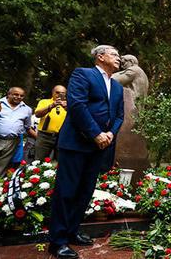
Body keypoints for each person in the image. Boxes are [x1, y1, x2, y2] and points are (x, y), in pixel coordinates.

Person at [49, 45, 124, 259]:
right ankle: (58, 242)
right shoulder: (83, 74)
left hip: (100, 146)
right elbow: (77, 106)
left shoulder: (117, 87)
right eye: (114, 54)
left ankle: (72, 232)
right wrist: (95, 133)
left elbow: (119, 115)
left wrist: (109, 134)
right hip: (76, 143)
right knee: (67, 191)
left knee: (85, 192)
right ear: (100, 57)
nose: (118, 58)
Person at [0, 87, 36, 177]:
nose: (18, 97)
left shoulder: (27, 109)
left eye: (21, 96)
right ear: (8, 94)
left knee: (2, 166)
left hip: (12, 142)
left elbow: (27, 127)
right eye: (16, 94)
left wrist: (38, 138)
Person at [34, 85, 67, 161]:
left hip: (61, 137)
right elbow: (37, 114)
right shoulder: (44, 102)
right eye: (57, 92)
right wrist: (51, 105)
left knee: (60, 161)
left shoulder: (69, 104)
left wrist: (66, 107)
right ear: (52, 93)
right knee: (39, 160)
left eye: (62, 93)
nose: (59, 95)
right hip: (44, 136)